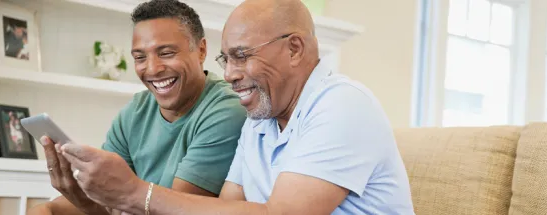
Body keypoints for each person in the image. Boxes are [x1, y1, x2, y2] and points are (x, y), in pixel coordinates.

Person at [55, 0, 416, 214]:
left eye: (242, 57)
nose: (228, 75)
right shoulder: (260, 118)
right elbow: (226, 207)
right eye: (225, 59)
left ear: (294, 49)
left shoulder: (342, 105)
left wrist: (137, 193)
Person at [28, 0, 246, 214]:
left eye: (166, 53)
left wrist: (87, 205)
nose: (152, 69)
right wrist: (49, 208)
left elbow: (171, 210)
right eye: (140, 57)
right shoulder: (135, 112)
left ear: (201, 50)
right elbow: (108, 198)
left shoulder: (226, 110)